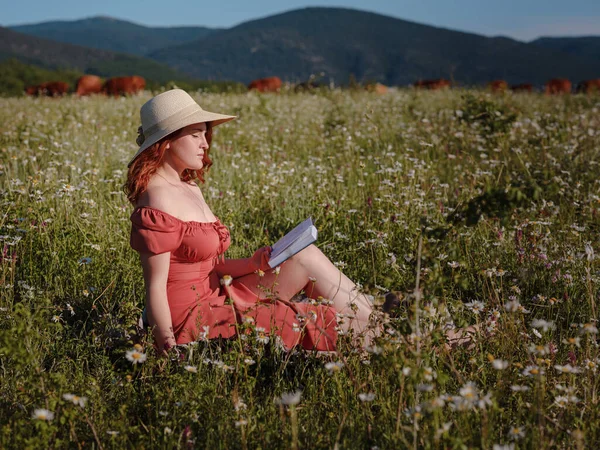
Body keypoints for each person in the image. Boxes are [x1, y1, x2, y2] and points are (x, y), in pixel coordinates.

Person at [125, 89, 379, 355]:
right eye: (195, 134)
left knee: (305, 255)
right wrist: (168, 349)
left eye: (205, 133)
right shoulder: (157, 198)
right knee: (297, 317)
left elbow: (208, 267)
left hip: (219, 292)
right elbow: (155, 287)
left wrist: (251, 264)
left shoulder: (188, 186)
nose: (205, 144)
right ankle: (380, 338)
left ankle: (377, 326)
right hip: (192, 317)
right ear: (166, 141)